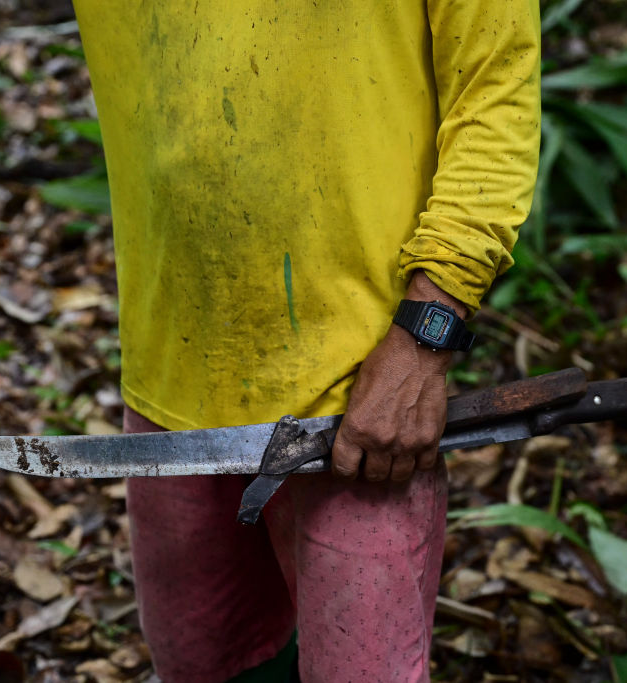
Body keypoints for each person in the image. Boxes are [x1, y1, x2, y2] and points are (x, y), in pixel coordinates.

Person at [93, 2, 541, 680]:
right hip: (173, 377)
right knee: (208, 662)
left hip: (358, 399)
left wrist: (427, 330)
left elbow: (496, 92)